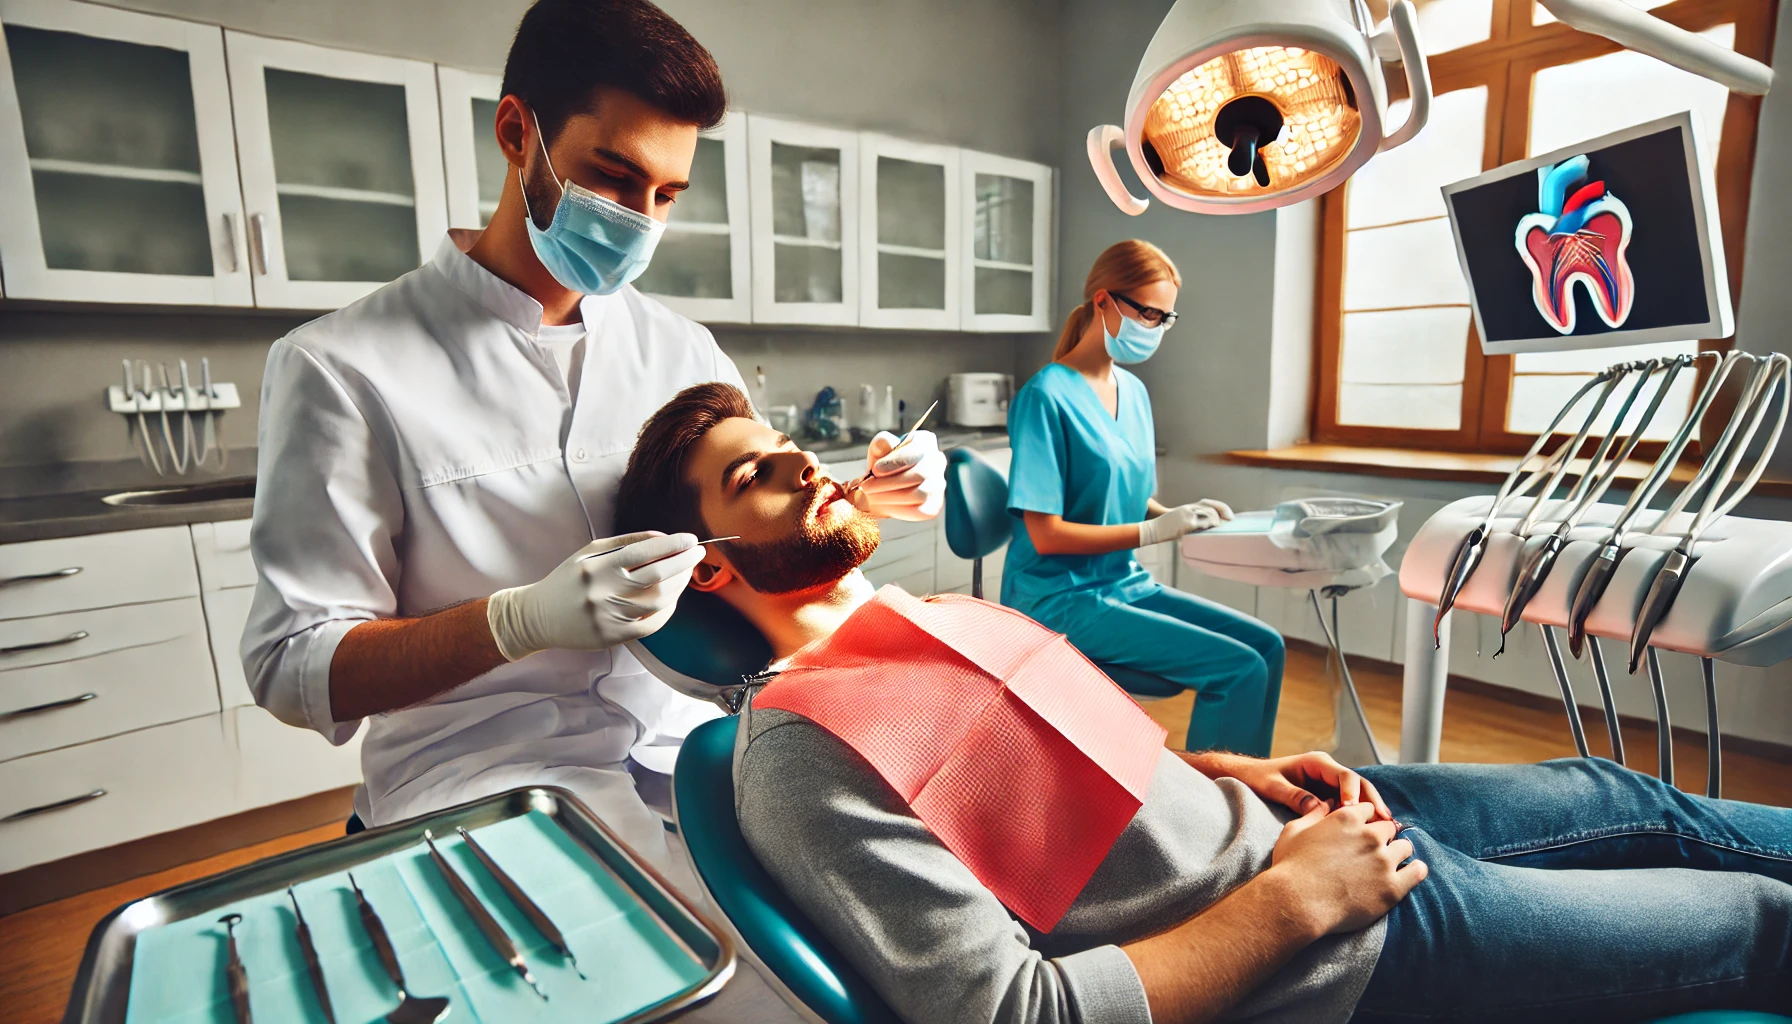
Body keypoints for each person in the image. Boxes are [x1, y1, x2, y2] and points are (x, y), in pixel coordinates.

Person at [613, 380, 1792, 1024]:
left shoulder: (925, 621)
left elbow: (1059, 773)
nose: (804, 463)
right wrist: (1296, 902)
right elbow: (1014, 1013)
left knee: (1619, 789)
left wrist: (1233, 775)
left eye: (786, 444)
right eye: (752, 474)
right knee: (1747, 920)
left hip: (1298, 828)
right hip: (1324, 943)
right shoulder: (796, 753)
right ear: (706, 562)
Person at [242, 0, 944, 876]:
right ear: (515, 133)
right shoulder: (341, 368)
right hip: (480, 784)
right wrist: (519, 621)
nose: (640, 219)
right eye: (612, 178)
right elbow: (292, 666)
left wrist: (851, 499)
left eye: (666, 195)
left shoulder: (681, 350)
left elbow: (736, 529)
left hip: (697, 754)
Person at [1003, 239, 1284, 756]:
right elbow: (1045, 535)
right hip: (1057, 599)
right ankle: (1220, 808)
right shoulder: (1044, 397)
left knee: (1268, 645)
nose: (1155, 327)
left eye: (1165, 317)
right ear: (1104, 301)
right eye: (1148, 312)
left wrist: (1179, 514)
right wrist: (1155, 530)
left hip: (1122, 583)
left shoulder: (1133, 392)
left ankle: (1257, 798)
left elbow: (1131, 499)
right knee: (1238, 667)